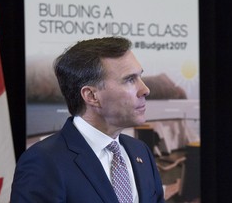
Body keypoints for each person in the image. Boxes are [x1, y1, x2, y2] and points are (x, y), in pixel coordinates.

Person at [10, 36, 165, 203]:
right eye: (129, 80)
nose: (145, 90)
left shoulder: (140, 151)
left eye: (140, 77)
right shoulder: (43, 163)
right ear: (91, 96)